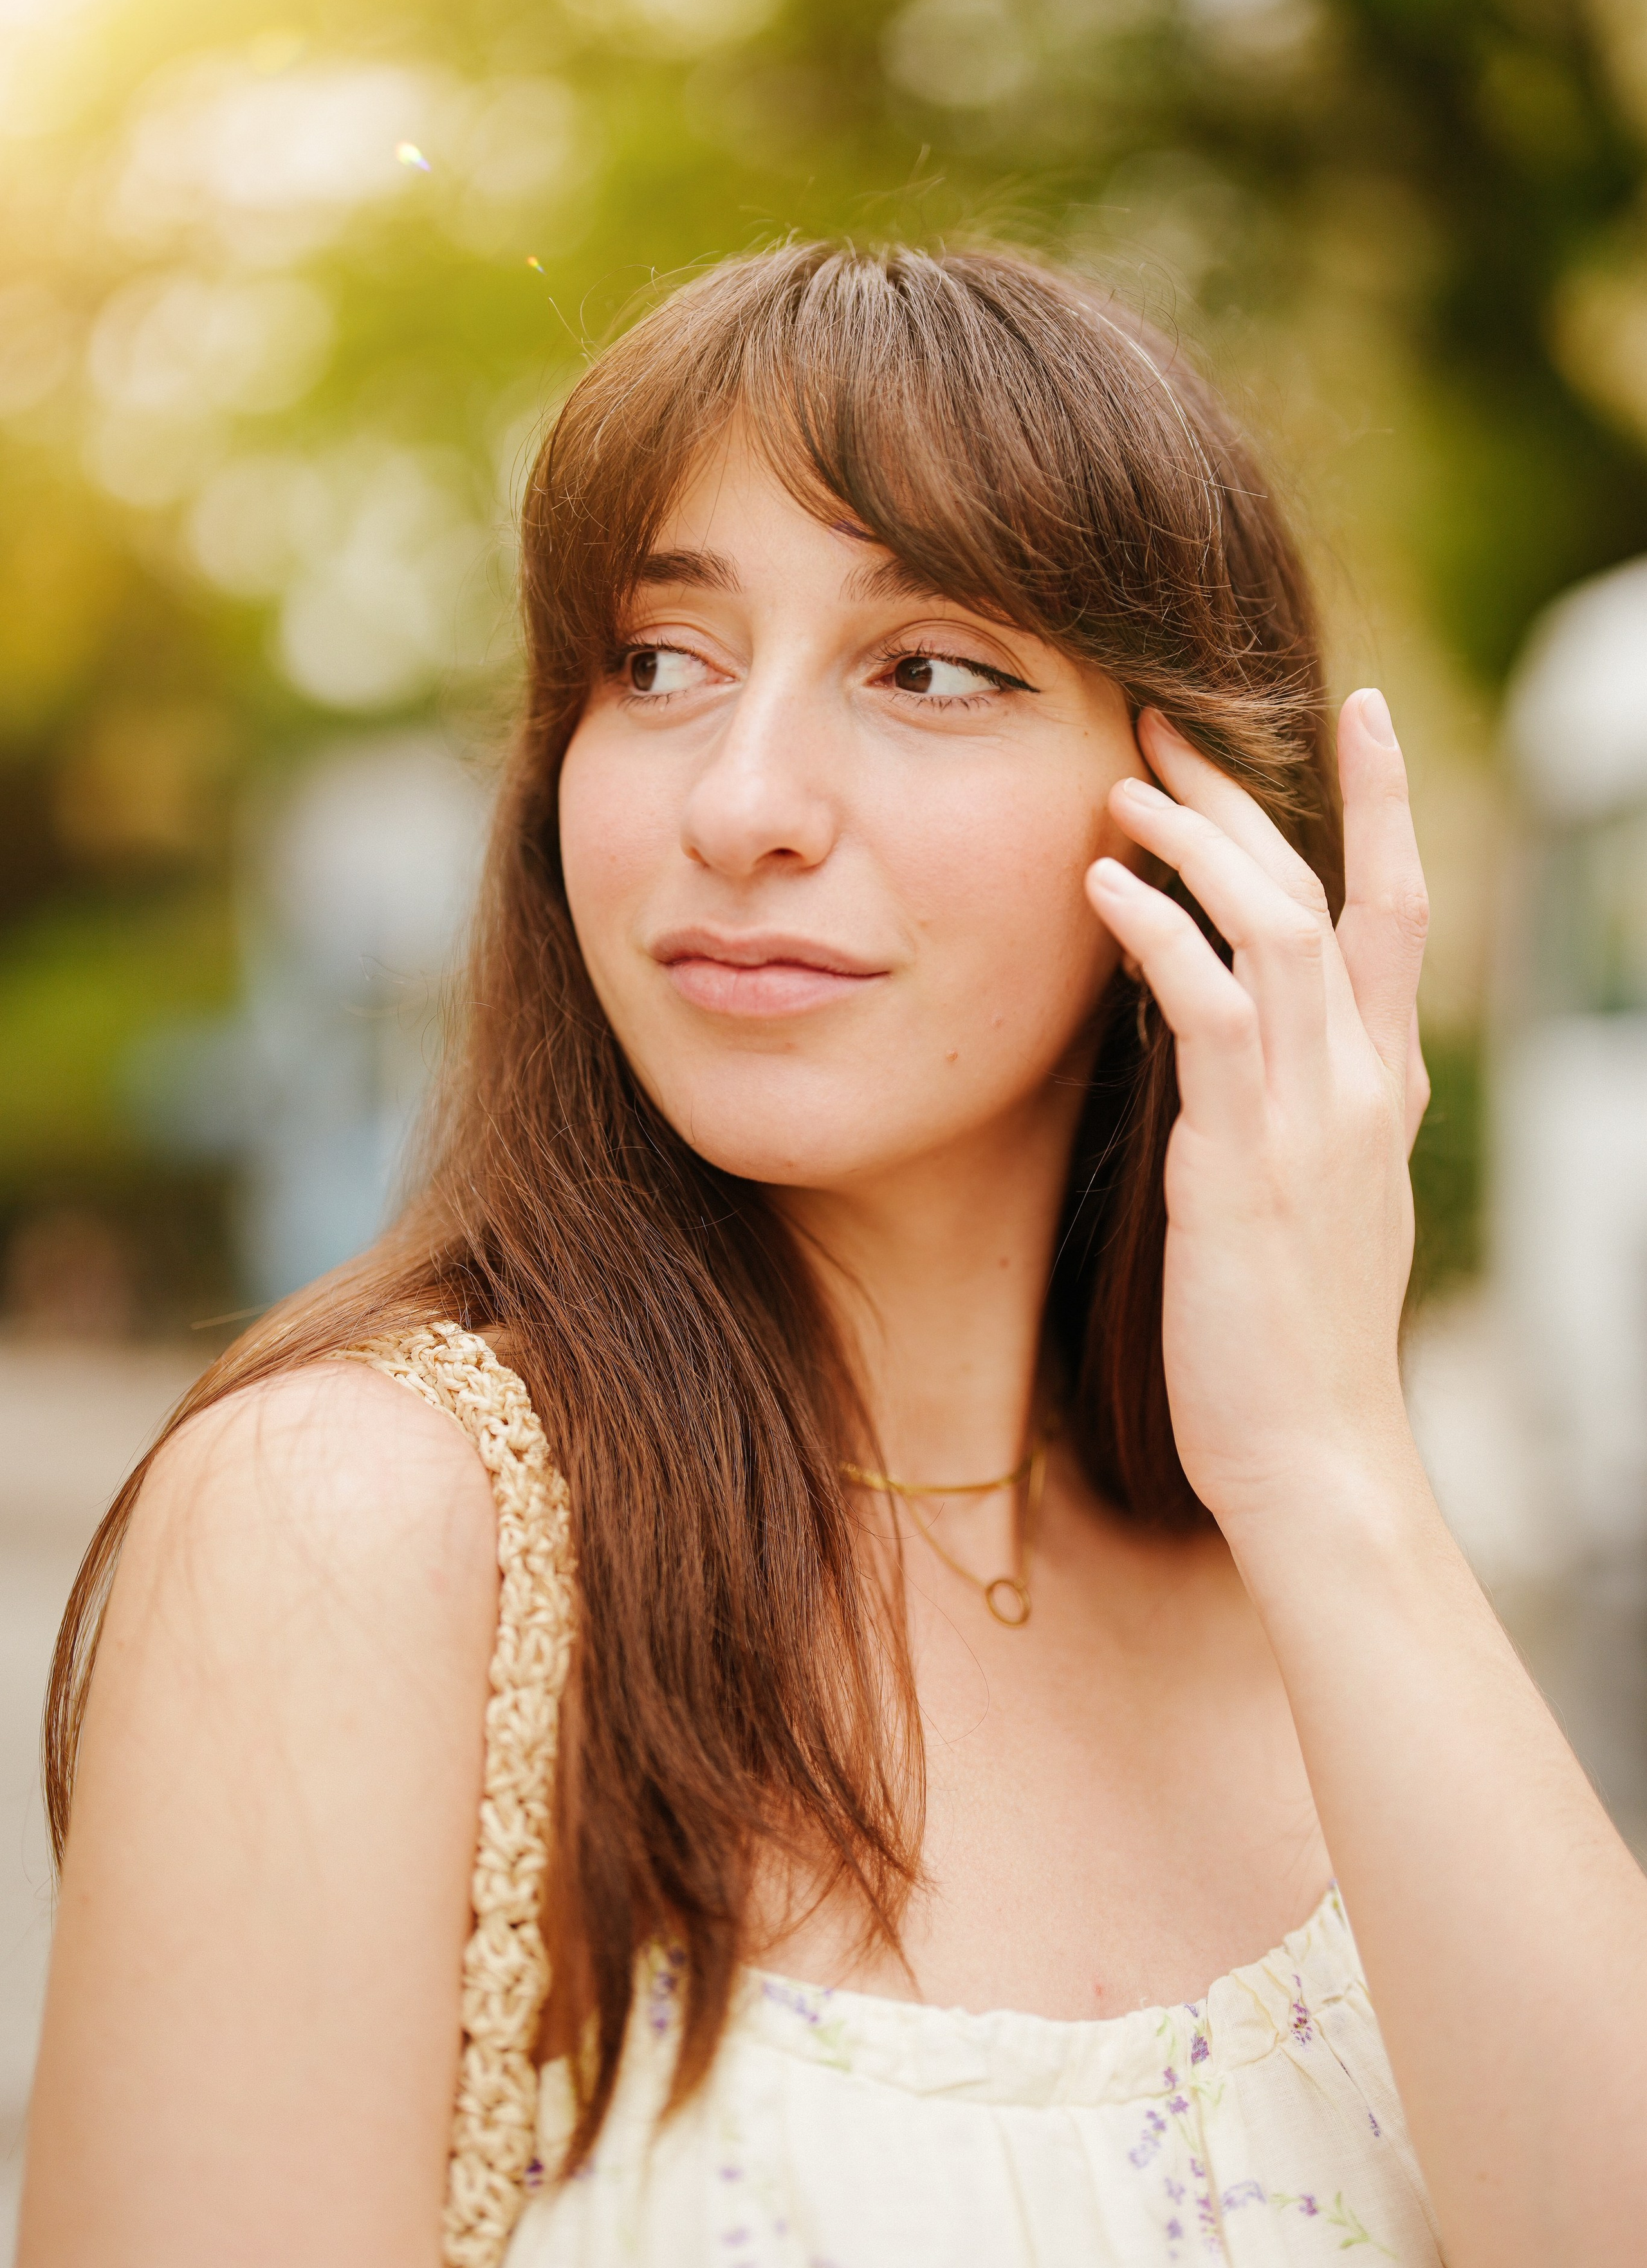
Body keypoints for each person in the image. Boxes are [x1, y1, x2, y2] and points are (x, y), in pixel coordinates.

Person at [19, 243, 1647, 2268]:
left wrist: (1328, 1463)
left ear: (1201, 824)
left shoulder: (1307, 1560)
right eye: (657, 663)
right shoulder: (360, 1523)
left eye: (931, 667)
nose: (745, 798)